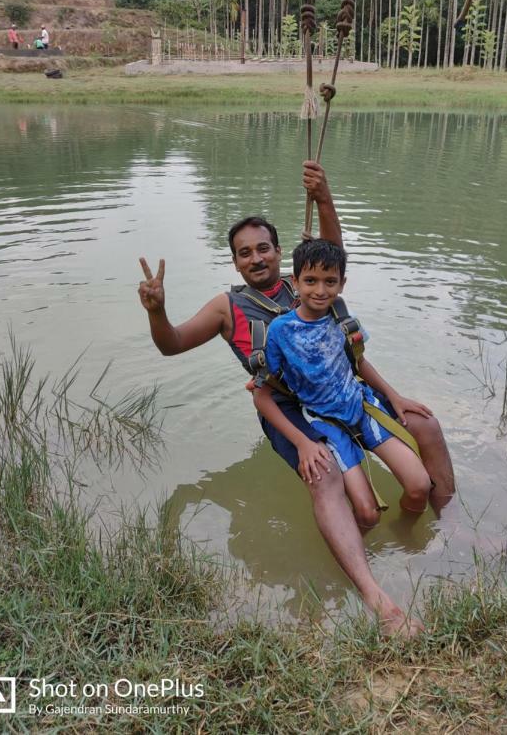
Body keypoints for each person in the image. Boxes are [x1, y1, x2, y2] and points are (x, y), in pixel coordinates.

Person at [138, 162, 455, 634]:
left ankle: (449, 524)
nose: (255, 258)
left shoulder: (305, 280)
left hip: (345, 388)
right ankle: (378, 601)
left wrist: (324, 196)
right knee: (325, 476)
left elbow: (335, 256)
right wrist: (158, 311)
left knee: (425, 425)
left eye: (263, 248)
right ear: (235, 262)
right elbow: (172, 344)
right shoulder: (228, 307)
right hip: (290, 406)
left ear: (279, 252)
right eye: (244, 253)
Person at [253, 239, 433, 631]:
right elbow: (262, 396)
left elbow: (359, 362)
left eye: (330, 281)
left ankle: (404, 534)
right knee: (367, 512)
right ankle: (353, 557)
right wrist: (302, 441)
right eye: (310, 280)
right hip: (324, 423)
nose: (320, 290)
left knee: (419, 484)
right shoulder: (281, 331)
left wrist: (394, 396)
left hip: (360, 408)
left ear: (342, 283)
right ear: (295, 282)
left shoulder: (343, 318)